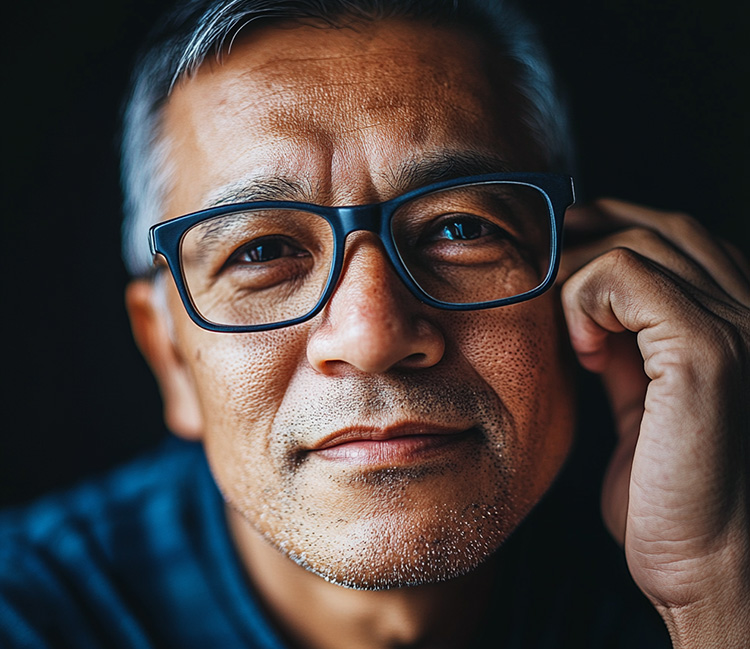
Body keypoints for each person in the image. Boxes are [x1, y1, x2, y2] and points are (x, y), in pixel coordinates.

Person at [2, 0, 748, 647]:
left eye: (459, 230)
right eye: (262, 250)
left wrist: (710, 587)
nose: (372, 334)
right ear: (168, 353)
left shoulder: (694, 563)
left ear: (584, 280)